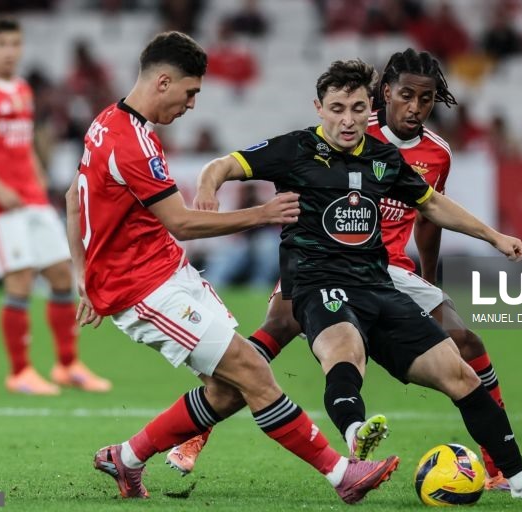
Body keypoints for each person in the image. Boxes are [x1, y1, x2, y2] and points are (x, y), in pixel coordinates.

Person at [174, 58, 522, 501]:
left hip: (385, 271)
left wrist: (481, 244)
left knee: (464, 350)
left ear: (369, 107)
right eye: (406, 96)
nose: (415, 107)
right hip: (315, 269)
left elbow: (431, 211)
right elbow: (225, 165)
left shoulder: (412, 154)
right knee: (291, 330)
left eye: (425, 99)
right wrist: (208, 190)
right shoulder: (305, 145)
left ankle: (512, 476)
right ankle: (204, 427)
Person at [67, 31, 398, 503]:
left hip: (168, 272)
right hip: (142, 288)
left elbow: (71, 198)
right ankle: (342, 473)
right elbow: (180, 221)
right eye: (190, 92)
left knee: (229, 389)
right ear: (163, 82)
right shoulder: (131, 144)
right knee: (252, 371)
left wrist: (82, 274)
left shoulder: (107, 122)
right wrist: (261, 214)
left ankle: (127, 457)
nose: (192, 104)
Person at [0, 18, 111, 395]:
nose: (10, 51)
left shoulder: (22, 89)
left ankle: (67, 365)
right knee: (20, 279)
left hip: (32, 197)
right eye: (3, 43)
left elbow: (21, 141)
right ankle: (19, 371)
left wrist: (38, 171)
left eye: (15, 44)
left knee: (60, 273)